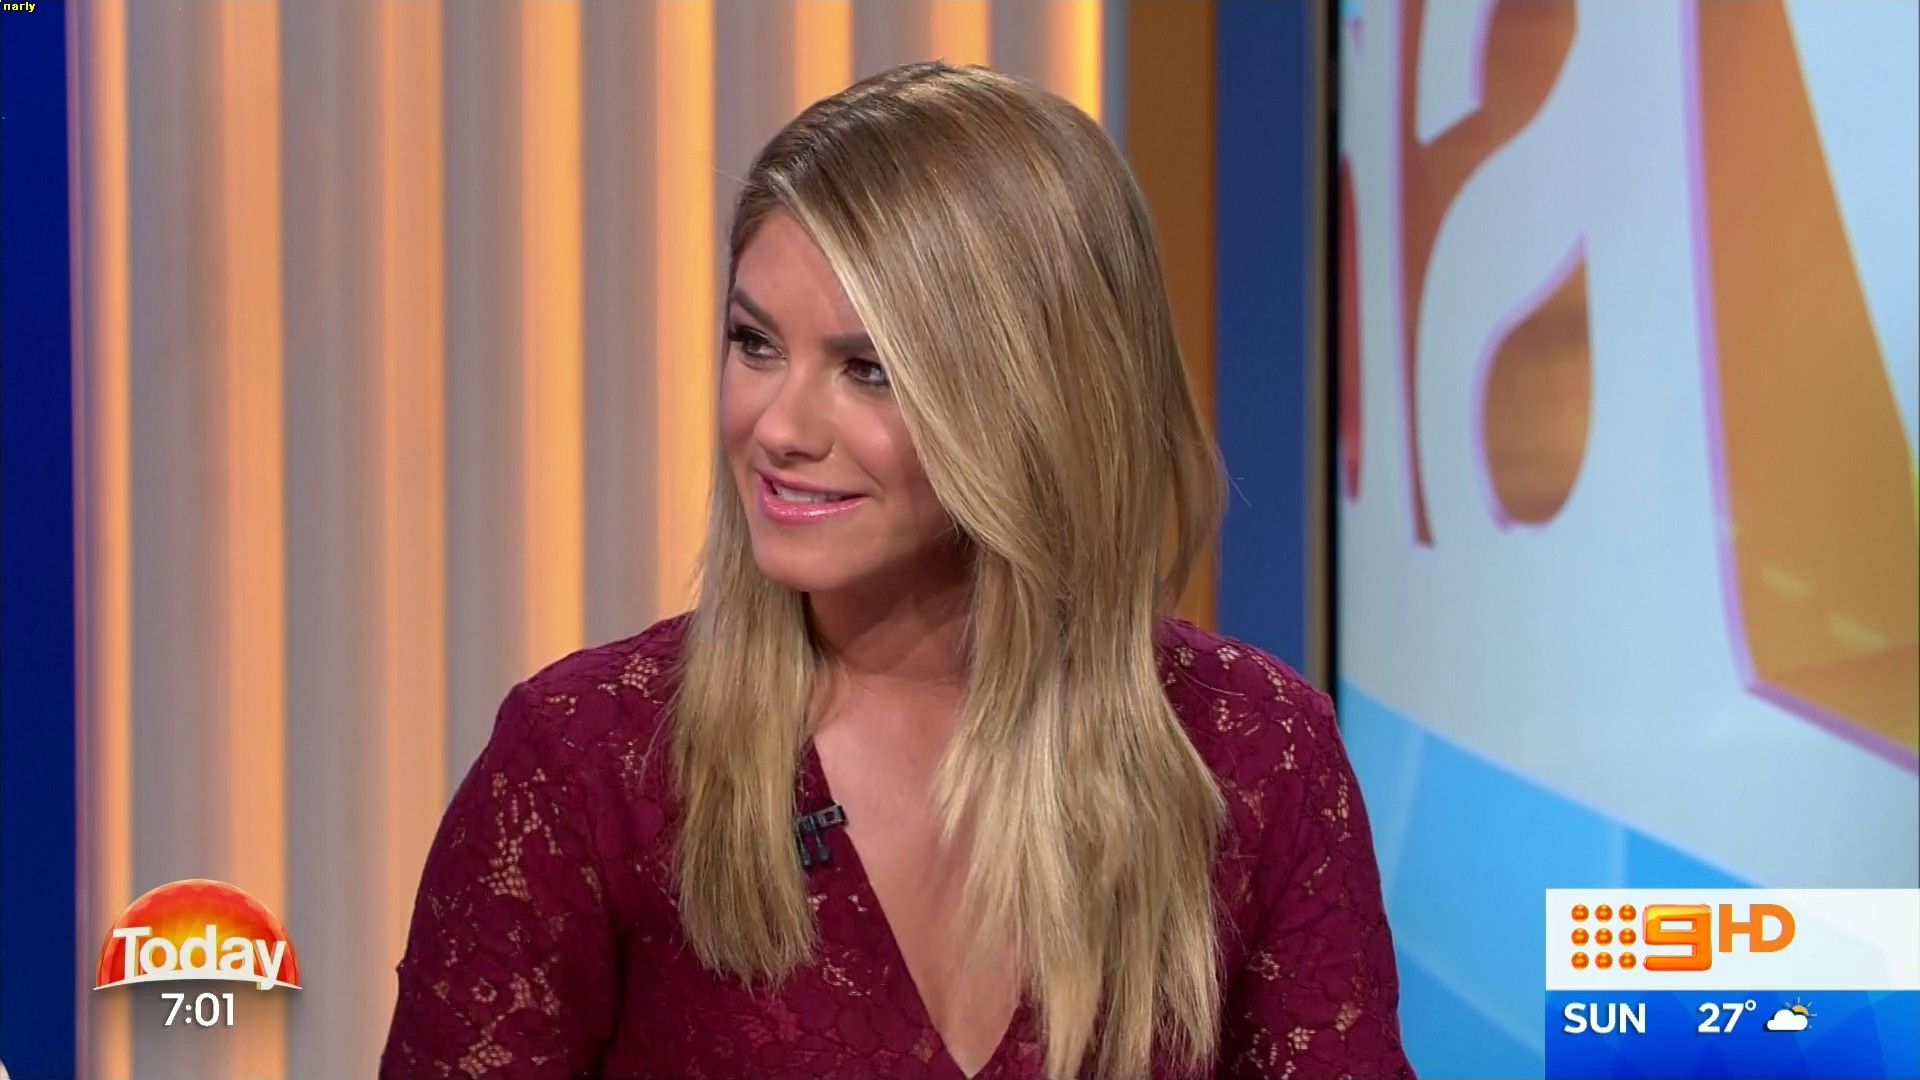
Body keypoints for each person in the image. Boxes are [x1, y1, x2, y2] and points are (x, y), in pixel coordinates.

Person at [379, 60, 1412, 1080]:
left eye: (867, 369)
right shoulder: (588, 765)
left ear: (1035, 399)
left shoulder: (1252, 757)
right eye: (755, 343)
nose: (778, 427)